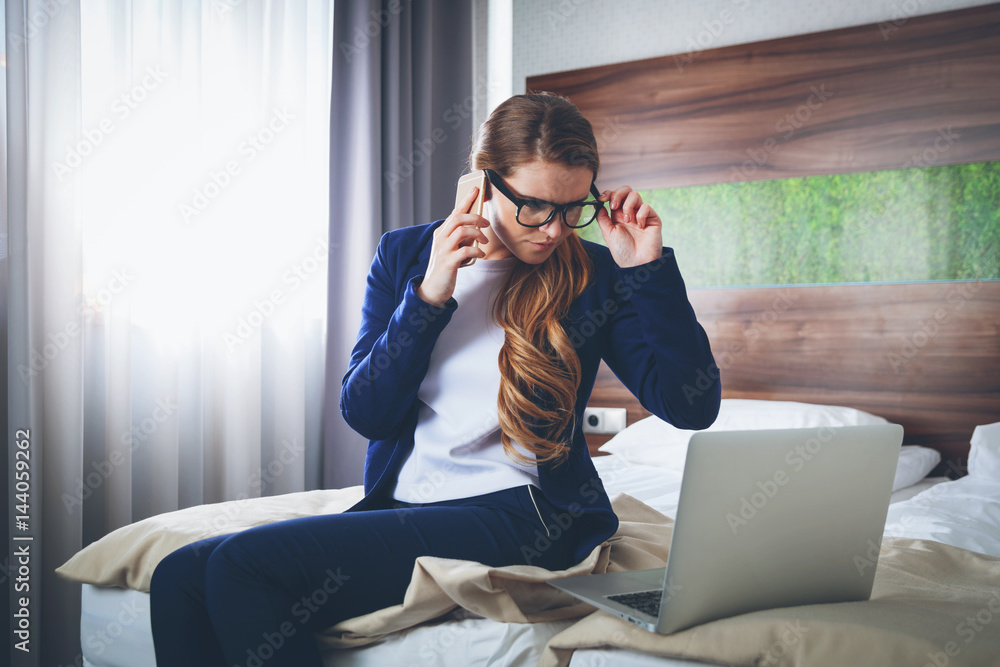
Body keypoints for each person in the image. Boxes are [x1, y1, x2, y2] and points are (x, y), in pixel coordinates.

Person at [149, 92, 720, 667]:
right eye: (536, 207)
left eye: (573, 209)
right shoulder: (405, 255)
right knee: (180, 576)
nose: (553, 231)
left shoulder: (595, 274)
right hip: (407, 505)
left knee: (242, 567)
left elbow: (691, 405)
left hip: (527, 514)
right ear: (483, 183)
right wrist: (430, 293)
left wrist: (646, 271)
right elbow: (367, 414)